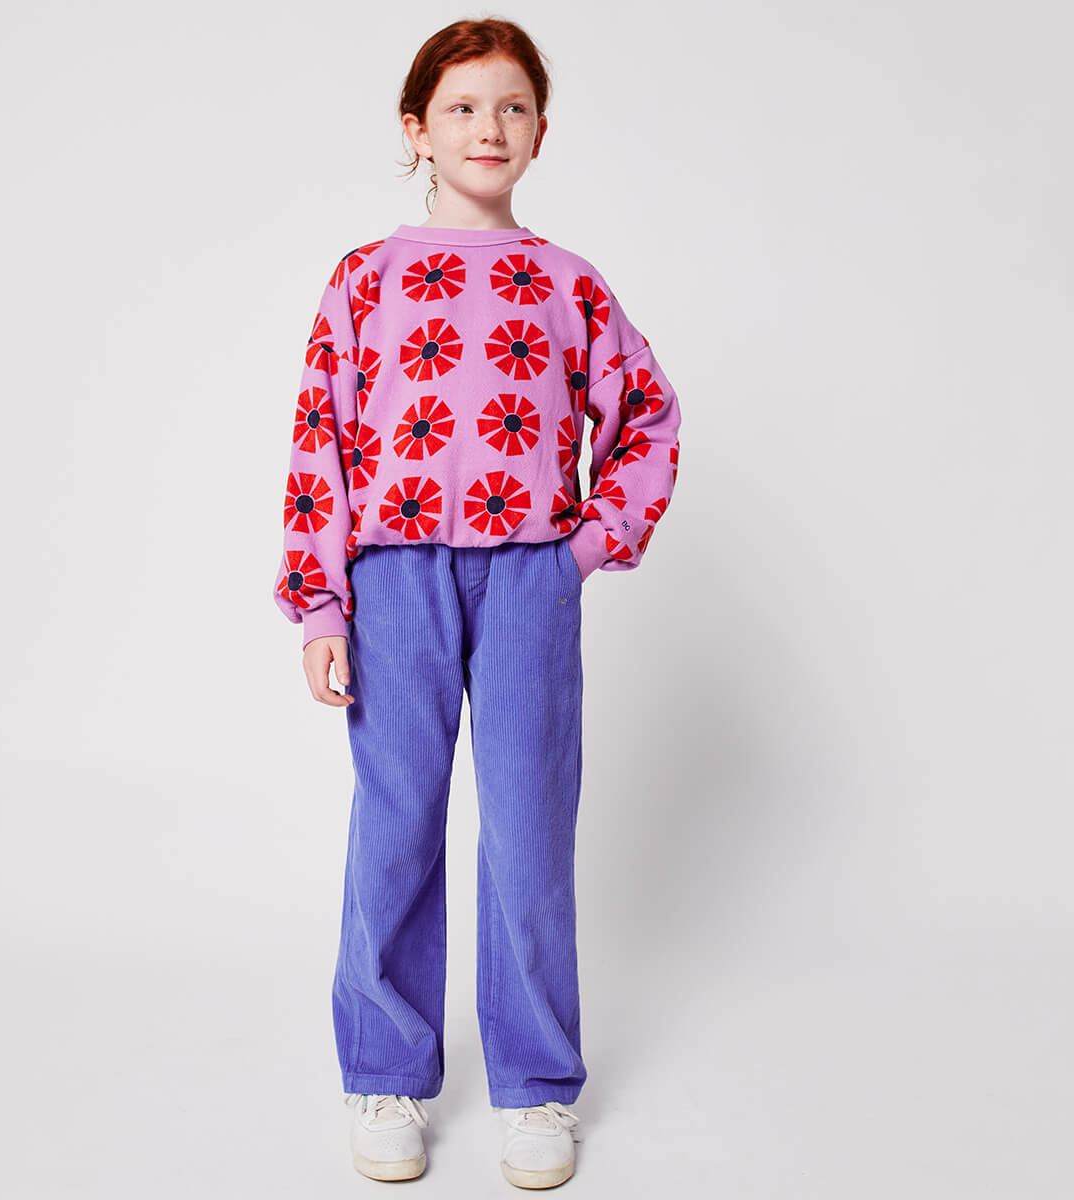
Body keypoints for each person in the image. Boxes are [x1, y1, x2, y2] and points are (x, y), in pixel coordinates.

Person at [274, 16, 682, 1189]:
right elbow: (320, 440)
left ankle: (537, 1087)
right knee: (395, 821)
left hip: (527, 579)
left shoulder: (568, 284)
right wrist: (321, 605)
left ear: (540, 132)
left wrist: (581, 548)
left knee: (529, 825)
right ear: (417, 128)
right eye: (461, 107)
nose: (487, 127)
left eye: (511, 107)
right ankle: (386, 1073)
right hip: (392, 573)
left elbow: (647, 415)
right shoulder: (364, 279)